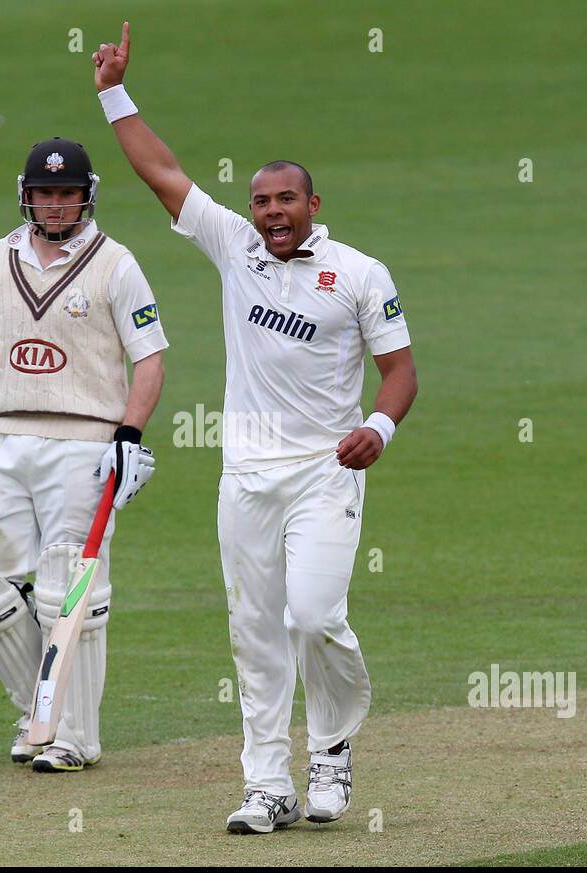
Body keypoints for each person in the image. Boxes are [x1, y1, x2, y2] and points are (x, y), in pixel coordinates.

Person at [91, 24, 418, 832]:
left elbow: (402, 372)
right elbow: (162, 173)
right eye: (262, 202)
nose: (272, 213)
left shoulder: (361, 274)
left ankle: (332, 749)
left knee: (312, 616)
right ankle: (267, 784)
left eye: (286, 201)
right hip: (246, 476)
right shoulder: (237, 250)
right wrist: (112, 91)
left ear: (315, 205)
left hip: (326, 474)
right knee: (255, 632)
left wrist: (379, 426)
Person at [0, 136, 167, 773]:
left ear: (86, 195)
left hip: (85, 440)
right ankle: (41, 715)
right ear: (26, 196)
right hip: (5, 437)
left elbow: (150, 357)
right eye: (43, 193)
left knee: (68, 590)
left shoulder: (117, 263)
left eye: (65, 193)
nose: (54, 206)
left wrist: (130, 438)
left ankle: (72, 737)